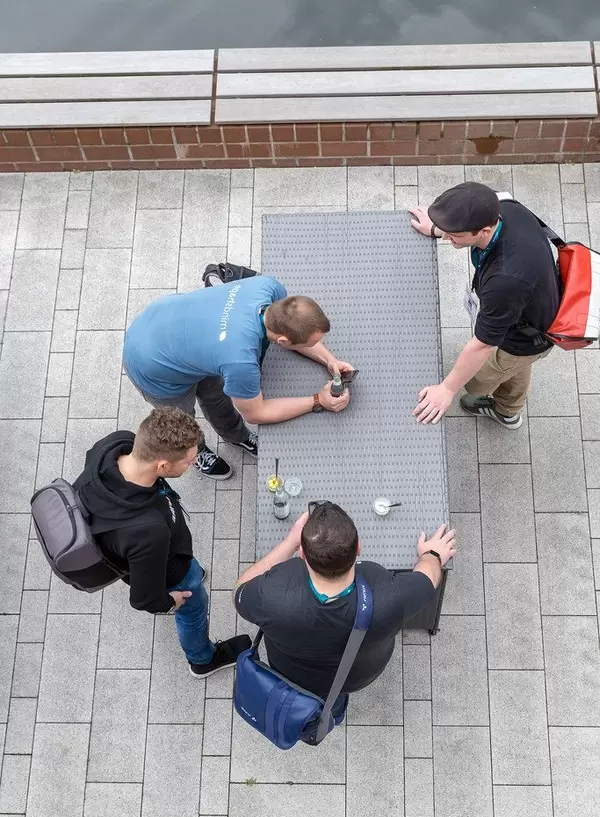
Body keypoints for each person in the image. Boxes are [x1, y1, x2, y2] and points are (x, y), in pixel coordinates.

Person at [234, 501, 456, 740]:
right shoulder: (388, 596)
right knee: (335, 697)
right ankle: (334, 711)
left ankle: (328, 712)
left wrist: (289, 542)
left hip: (289, 671)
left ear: (302, 554)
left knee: (322, 698)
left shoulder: (272, 595)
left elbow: (240, 589)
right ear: (358, 548)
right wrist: (432, 554)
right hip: (357, 676)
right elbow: (428, 579)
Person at [73, 407, 251, 678]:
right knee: (193, 611)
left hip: (153, 551)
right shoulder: (148, 531)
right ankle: (203, 659)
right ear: (163, 466)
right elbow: (143, 598)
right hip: (174, 575)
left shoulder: (114, 445)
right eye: (189, 462)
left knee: (191, 576)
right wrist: (170, 602)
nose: (193, 464)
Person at [123, 275, 353, 480]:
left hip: (167, 320)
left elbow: (293, 332)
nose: (317, 346)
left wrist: (329, 360)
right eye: (313, 344)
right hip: (151, 364)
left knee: (215, 395)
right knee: (182, 424)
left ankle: (236, 436)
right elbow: (257, 413)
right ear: (282, 341)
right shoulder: (241, 362)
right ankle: (196, 451)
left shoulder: (268, 287)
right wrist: (318, 400)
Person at [410, 182, 560, 428]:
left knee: (479, 379)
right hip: (529, 312)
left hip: (524, 338)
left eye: (455, 234)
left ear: (484, 230)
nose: (447, 237)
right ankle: (510, 407)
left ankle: (506, 413)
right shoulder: (506, 208)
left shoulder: (505, 280)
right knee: (515, 366)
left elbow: (483, 345)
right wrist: (439, 227)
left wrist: (447, 389)